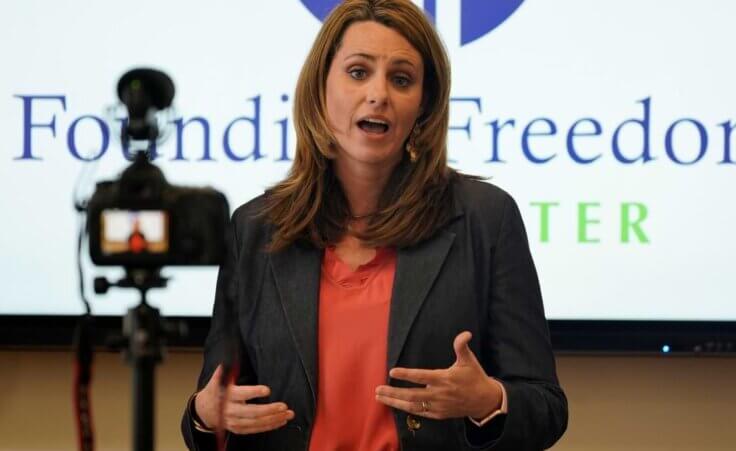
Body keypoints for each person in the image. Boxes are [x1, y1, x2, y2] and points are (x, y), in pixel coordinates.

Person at [182, 0, 568, 449]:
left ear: (423, 106)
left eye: (401, 79)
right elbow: (214, 411)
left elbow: (547, 408)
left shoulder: (485, 219)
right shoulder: (254, 228)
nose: (379, 94)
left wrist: (487, 400)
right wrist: (205, 416)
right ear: (320, 88)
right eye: (358, 72)